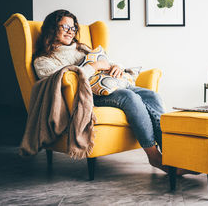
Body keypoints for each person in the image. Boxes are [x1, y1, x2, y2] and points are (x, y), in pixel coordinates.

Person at [33, 9, 188, 175]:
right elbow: (60, 82)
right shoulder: (44, 60)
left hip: (112, 85)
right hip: (89, 95)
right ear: (52, 28)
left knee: (152, 96)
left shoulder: (82, 48)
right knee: (129, 97)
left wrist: (116, 67)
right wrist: (92, 67)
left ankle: (173, 154)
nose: (71, 32)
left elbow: (107, 61)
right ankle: (154, 157)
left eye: (73, 28)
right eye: (65, 27)